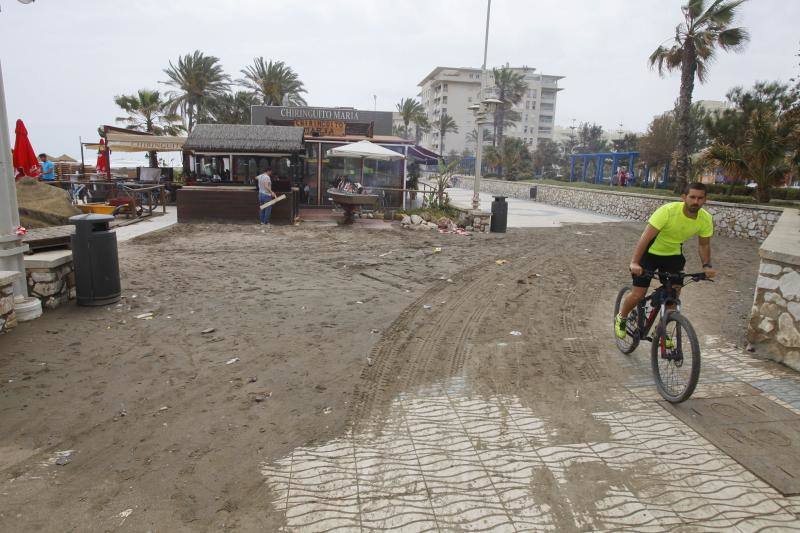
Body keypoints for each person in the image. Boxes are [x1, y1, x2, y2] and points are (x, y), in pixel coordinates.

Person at [614, 182, 717, 340]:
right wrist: (634, 262)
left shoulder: (705, 219)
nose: (696, 201)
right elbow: (646, 237)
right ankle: (622, 317)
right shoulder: (667, 211)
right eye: (692, 197)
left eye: (700, 198)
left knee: (673, 296)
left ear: (705, 199)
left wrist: (707, 265)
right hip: (650, 253)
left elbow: (704, 244)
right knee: (638, 295)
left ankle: (661, 329)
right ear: (684, 197)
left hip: (673, 255)